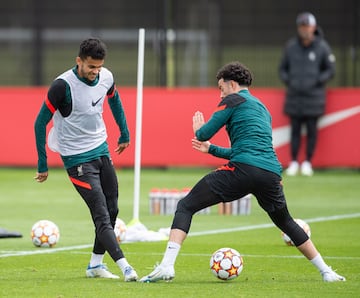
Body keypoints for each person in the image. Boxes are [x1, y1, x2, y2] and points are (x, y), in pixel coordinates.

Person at [139, 61, 345, 283]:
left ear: (233, 84)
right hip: (271, 173)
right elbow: (248, 150)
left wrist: (199, 132)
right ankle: (327, 272)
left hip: (243, 171)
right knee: (286, 222)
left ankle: (167, 266)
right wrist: (212, 150)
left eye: (221, 88)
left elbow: (206, 132)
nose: (220, 95)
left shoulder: (232, 100)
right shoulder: (262, 108)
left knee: (186, 206)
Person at [34, 38, 138, 282]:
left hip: (101, 150)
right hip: (76, 159)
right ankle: (126, 267)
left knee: (113, 209)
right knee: (101, 213)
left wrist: (124, 132)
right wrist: (43, 163)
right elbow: (40, 122)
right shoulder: (62, 86)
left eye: (99, 67)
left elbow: (115, 99)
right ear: (79, 61)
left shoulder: (106, 76)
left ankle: (95, 265)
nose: (95, 72)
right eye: (91, 67)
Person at [279, 12, 335, 176]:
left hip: (314, 97)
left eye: (307, 26)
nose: (305, 30)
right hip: (294, 96)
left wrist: (317, 80)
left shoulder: (322, 47)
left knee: (312, 131)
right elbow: (282, 69)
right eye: (302, 26)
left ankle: (308, 162)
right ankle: (294, 162)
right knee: (294, 131)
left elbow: (330, 70)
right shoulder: (291, 47)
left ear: (314, 27)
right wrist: (289, 81)